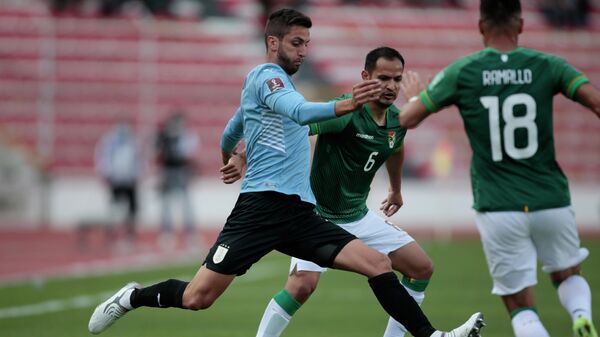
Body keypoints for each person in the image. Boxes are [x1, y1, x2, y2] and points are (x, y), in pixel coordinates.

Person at [87, 8, 484, 337]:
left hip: (300, 214)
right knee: (198, 298)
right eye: (297, 43)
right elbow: (298, 112)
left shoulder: (271, 90)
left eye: (308, 44)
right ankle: (132, 297)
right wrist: (343, 106)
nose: (304, 52)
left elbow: (232, 128)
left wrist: (234, 155)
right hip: (258, 210)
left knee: (378, 264)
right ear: (273, 42)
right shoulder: (267, 77)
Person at [397, 1, 600, 337]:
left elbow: (407, 120)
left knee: (520, 305)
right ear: (521, 24)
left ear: (480, 26)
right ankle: (581, 315)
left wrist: (416, 98)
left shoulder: (463, 71)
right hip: (550, 196)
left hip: (498, 204)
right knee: (568, 273)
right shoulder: (547, 65)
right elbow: (594, 101)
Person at [221, 46, 435, 337]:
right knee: (301, 287)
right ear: (365, 76)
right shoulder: (344, 112)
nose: (391, 86)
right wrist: (242, 156)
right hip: (319, 217)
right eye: (383, 78)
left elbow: (395, 148)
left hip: (358, 215)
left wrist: (395, 189)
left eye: (397, 80)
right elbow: (290, 128)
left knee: (421, 267)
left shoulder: (397, 120)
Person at [94, 118, 143, 244]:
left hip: (129, 180)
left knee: (132, 208)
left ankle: (129, 233)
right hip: (116, 179)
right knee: (115, 207)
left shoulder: (133, 141)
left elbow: (138, 160)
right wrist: (106, 174)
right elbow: (103, 158)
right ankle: (112, 232)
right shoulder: (110, 141)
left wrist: (137, 175)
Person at [154, 112, 198, 247]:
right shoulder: (163, 136)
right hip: (168, 171)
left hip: (181, 171)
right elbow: (157, 153)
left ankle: (190, 233)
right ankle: (167, 232)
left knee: (186, 203)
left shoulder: (186, 136)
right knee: (166, 203)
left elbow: (188, 153)